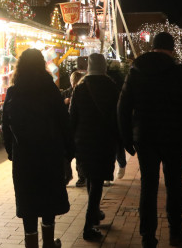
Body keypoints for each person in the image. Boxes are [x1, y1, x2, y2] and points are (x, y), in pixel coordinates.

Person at [118, 32, 182, 248]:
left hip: (145, 136)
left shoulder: (136, 70)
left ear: (152, 47)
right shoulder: (180, 73)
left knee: (149, 186)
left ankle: (148, 237)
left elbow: (123, 107)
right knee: (175, 185)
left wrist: (127, 139)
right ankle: (175, 232)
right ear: (171, 49)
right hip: (174, 137)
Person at [3, 48, 72, 248]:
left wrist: (11, 152)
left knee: (28, 204)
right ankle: (49, 244)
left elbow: (6, 126)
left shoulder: (14, 92)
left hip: (24, 157)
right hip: (50, 155)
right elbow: (63, 122)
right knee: (48, 201)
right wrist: (68, 154)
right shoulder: (50, 90)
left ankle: (31, 244)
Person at [69, 53, 120, 242]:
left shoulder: (80, 87)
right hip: (104, 141)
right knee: (96, 181)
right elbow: (118, 114)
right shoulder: (111, 86)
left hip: (83, 141)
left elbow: (72, 116)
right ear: (104, 66)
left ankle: (94, 213)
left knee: (92, 179)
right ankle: (88, 226)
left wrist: (70, 142)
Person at [62, 70, 86, 187]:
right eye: (72, 82)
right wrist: (64, 102)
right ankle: (67, 175)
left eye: (75, 82)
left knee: (79, 155)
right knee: (66, 155)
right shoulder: (67, 93)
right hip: (67, 128)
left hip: (78, 129)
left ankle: (82, 177)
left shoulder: (82, 93)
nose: (73, 84)